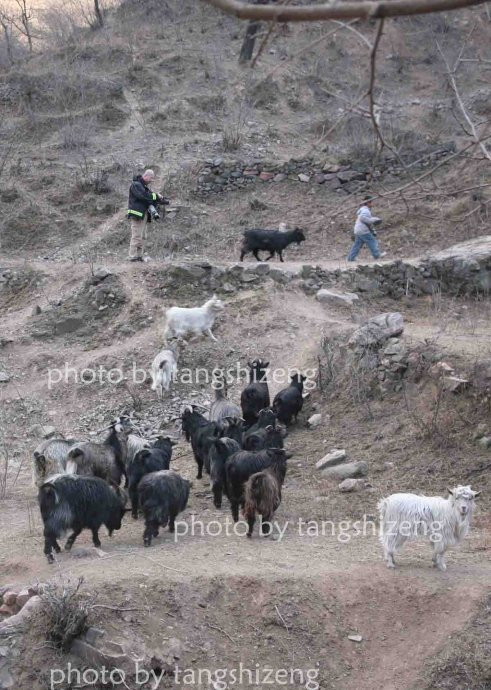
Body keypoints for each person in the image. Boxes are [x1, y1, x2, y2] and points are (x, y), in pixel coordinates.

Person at [127, 169, 163, 262]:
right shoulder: (136, 185)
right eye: (151, 178)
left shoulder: (144, 187)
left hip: (144, 215)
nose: (151, 181)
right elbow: (143, 196)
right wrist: (156, 196)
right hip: (137, 215)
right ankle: (132, 256)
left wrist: (161, 199)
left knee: (143, 236)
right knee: (136, 235)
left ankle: (139, 256)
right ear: (146, 176)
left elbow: (150, 197)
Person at [347, 196, 386, 262]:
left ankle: (351, 258)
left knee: (357, 245)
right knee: (372, 241)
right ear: (368, 203)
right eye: (371, 202)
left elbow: (364, 218)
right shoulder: (366, 210)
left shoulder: (362, 209)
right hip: (363, 230)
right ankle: (377, 255)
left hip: (358, 229)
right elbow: (363, 218)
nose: (372, 204)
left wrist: (372, 221)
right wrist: (373, 220)